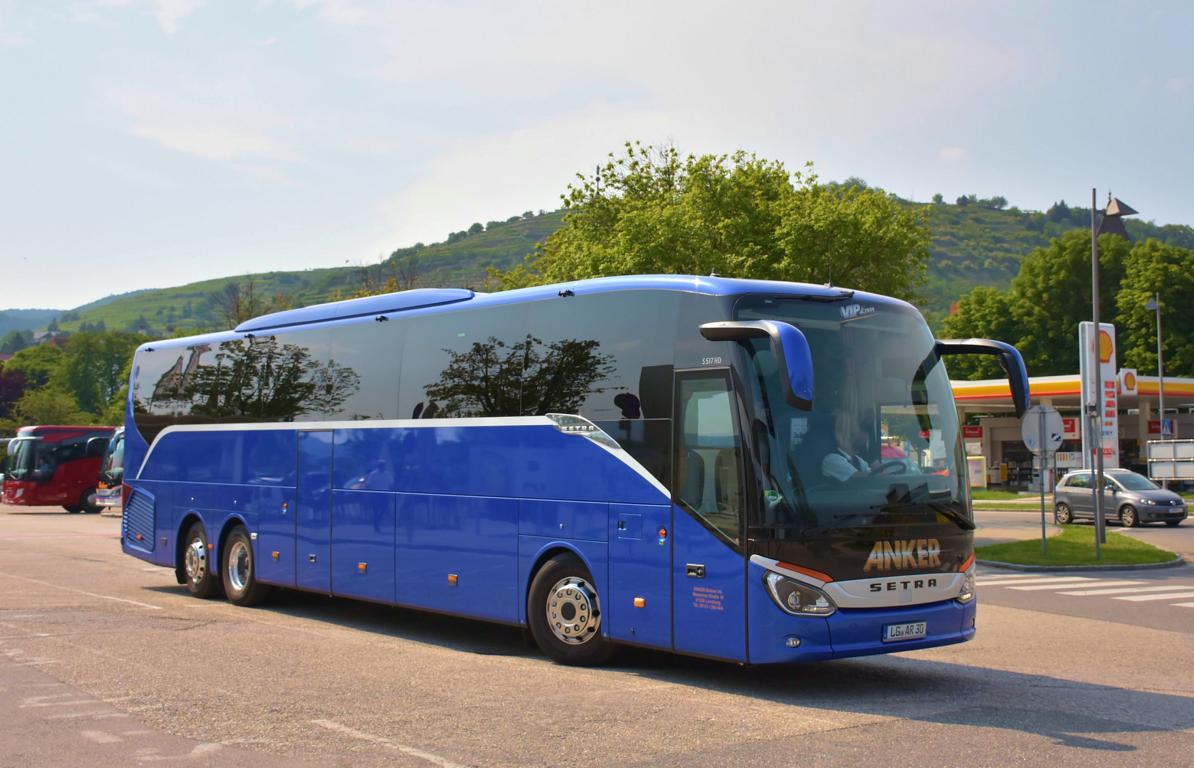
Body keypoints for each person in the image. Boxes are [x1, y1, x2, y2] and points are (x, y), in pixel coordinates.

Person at [822, 412, 880, 482]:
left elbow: (872, 472)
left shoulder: (857, 459)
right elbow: (858, 477)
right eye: (857, 434)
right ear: (845, 437)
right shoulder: (832, 459)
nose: (863, 437)